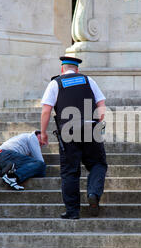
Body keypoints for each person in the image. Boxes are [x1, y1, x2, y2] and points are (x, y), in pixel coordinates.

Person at [40, 56, 107, 219]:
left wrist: (42, 132)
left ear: (62, 69)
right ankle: (93, 193)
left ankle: (72, 211)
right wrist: (98, 122)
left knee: (70, 171)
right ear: (77, 69)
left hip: (67, 130)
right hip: (90, 127)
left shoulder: (55, 83)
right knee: (98, 164)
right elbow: (101, 104)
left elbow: (46, 111)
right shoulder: (88, 80)